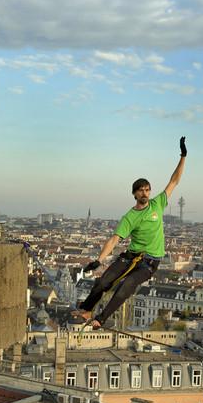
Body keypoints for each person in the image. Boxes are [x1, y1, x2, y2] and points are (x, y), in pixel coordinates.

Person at [73, 137, 187, 329]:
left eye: (147, 190)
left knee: (127, 286)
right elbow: (114, 240)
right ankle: (86, 310)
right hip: (130, 256)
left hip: (149, 262)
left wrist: (183, 156)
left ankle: (102, 318)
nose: (145, 193)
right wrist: (99, 260)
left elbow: (174, 181)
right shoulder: (129, 217)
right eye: (141, 190)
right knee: (103, 282)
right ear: (134, 194)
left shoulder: (157, 204)